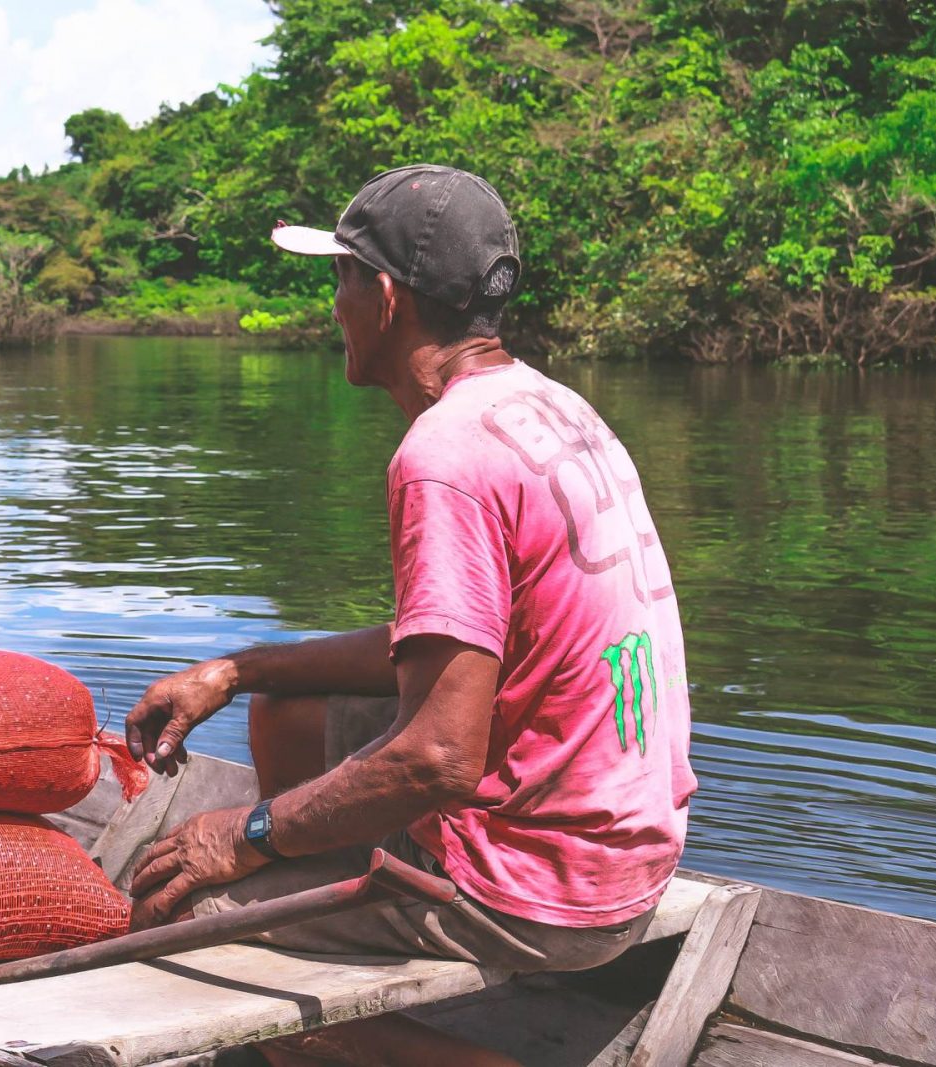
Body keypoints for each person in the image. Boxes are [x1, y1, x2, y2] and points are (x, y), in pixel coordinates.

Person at [124, 165, 697, 1066]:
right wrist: (238, 670)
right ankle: (339, 897)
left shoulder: (442, 455)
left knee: (175, 923)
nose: (334, 304)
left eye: (342, 278)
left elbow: (436, 756)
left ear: (385, 297)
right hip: (626, 852)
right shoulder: (554, 408)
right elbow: (460, 650)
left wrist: (247, 835)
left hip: (537, 887)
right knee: (291, 707)